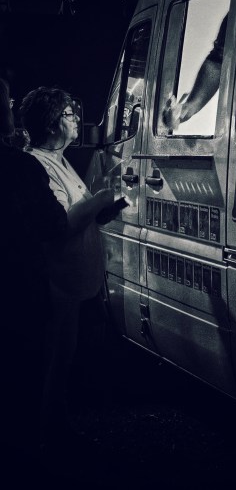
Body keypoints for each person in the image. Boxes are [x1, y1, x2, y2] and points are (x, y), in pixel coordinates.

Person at [19, 86, 116, 454]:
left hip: (74, 283)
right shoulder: (38, 165)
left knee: (64, 356)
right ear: (51, 124)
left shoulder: (59, 159)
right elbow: (61, 225)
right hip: (57, 284)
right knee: (54, 358)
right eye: (69, 114)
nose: (76, 119)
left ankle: (54, 425)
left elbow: (81, 214)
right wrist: (100, 200)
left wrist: (104, 209)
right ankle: (48, 435)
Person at [0, 78, 68, 465]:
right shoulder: (19, 168)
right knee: (20, 388)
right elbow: (52, 224)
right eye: (5, 100)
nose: (11, 106)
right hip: (18, 295)